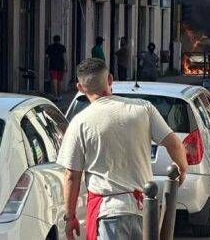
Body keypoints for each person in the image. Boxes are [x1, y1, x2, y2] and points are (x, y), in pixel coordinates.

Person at [58, 58, 188, 240]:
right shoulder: (143, 109)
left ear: (80, 87)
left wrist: (70, 216)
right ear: (110, 80)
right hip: (144, 211)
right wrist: (182, 170)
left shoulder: (79, 122)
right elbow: (174, 144)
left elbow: (72, 176)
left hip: (108, 213)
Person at [46, 35, 67, 100]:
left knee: (54, 81)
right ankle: (59, 95)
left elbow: (46, 56)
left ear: (53, 40)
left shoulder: (50, 47)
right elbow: (65, 57)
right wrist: (66, 65)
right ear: (59, 40)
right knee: (60, 81)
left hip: (52, 65)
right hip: (61, 66)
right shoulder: (62, 47)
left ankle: (55, 95)